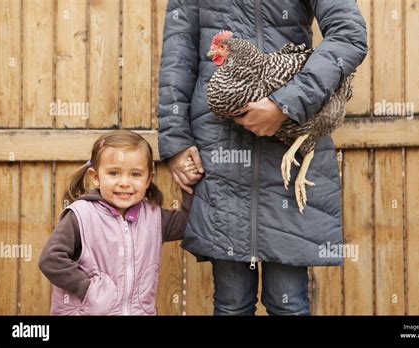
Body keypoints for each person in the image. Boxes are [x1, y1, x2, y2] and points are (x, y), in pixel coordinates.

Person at [158, 0, 368, 315]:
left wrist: (285, 104)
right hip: (220, 146)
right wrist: (174, 138)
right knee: (231, 303)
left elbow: (349, 35)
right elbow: (179, 54)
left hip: (292, 142)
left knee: (289, 302)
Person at [39, 130, 193, 315]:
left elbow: (189, 224)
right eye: (114, 173)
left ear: (148, 179)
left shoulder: (155, 218)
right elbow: (51, 259)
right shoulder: (81, 215)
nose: (124, 183)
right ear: (95, 176)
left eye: (135, 174)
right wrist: (87, 288)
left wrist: (188, 183)